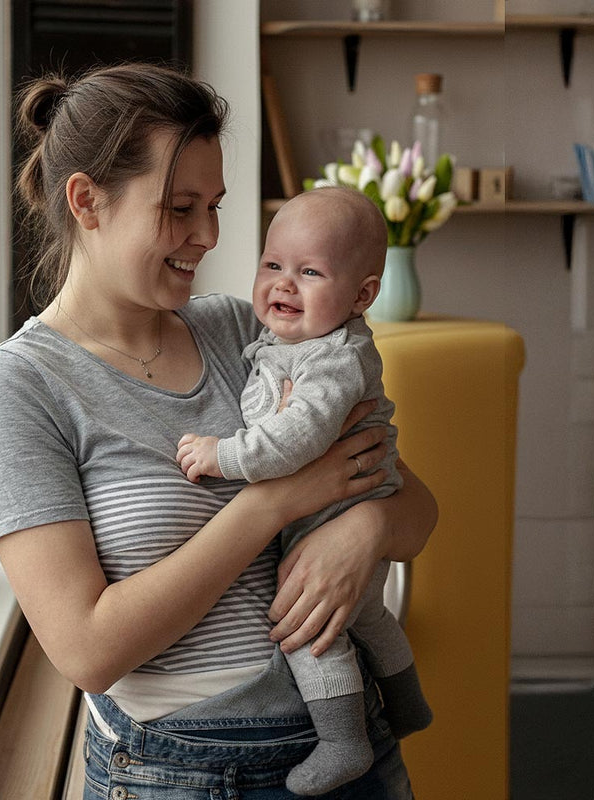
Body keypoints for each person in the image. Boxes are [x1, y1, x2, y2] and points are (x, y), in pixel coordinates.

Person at [0, 62, 437, 800]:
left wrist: (364, 529)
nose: (210, 236)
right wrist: (273, 503)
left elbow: (418, 512)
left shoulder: (247, 332)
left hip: (356, 748)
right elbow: (88, 651)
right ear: (87, 201)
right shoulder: (19, 388)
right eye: (180, 208)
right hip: (183, 774)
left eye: (213, 206)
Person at [176, 186, 432, 795]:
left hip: (337, 515)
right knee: (366, 613)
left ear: (361, 296)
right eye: (273, 264)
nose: (284, 284)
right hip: (345, 509)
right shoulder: (283, 338)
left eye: (310, 272)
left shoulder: (333, 359)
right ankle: (406, 701)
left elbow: (298, 439)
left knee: (309, 629)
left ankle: (343, 741)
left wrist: (223, 455)